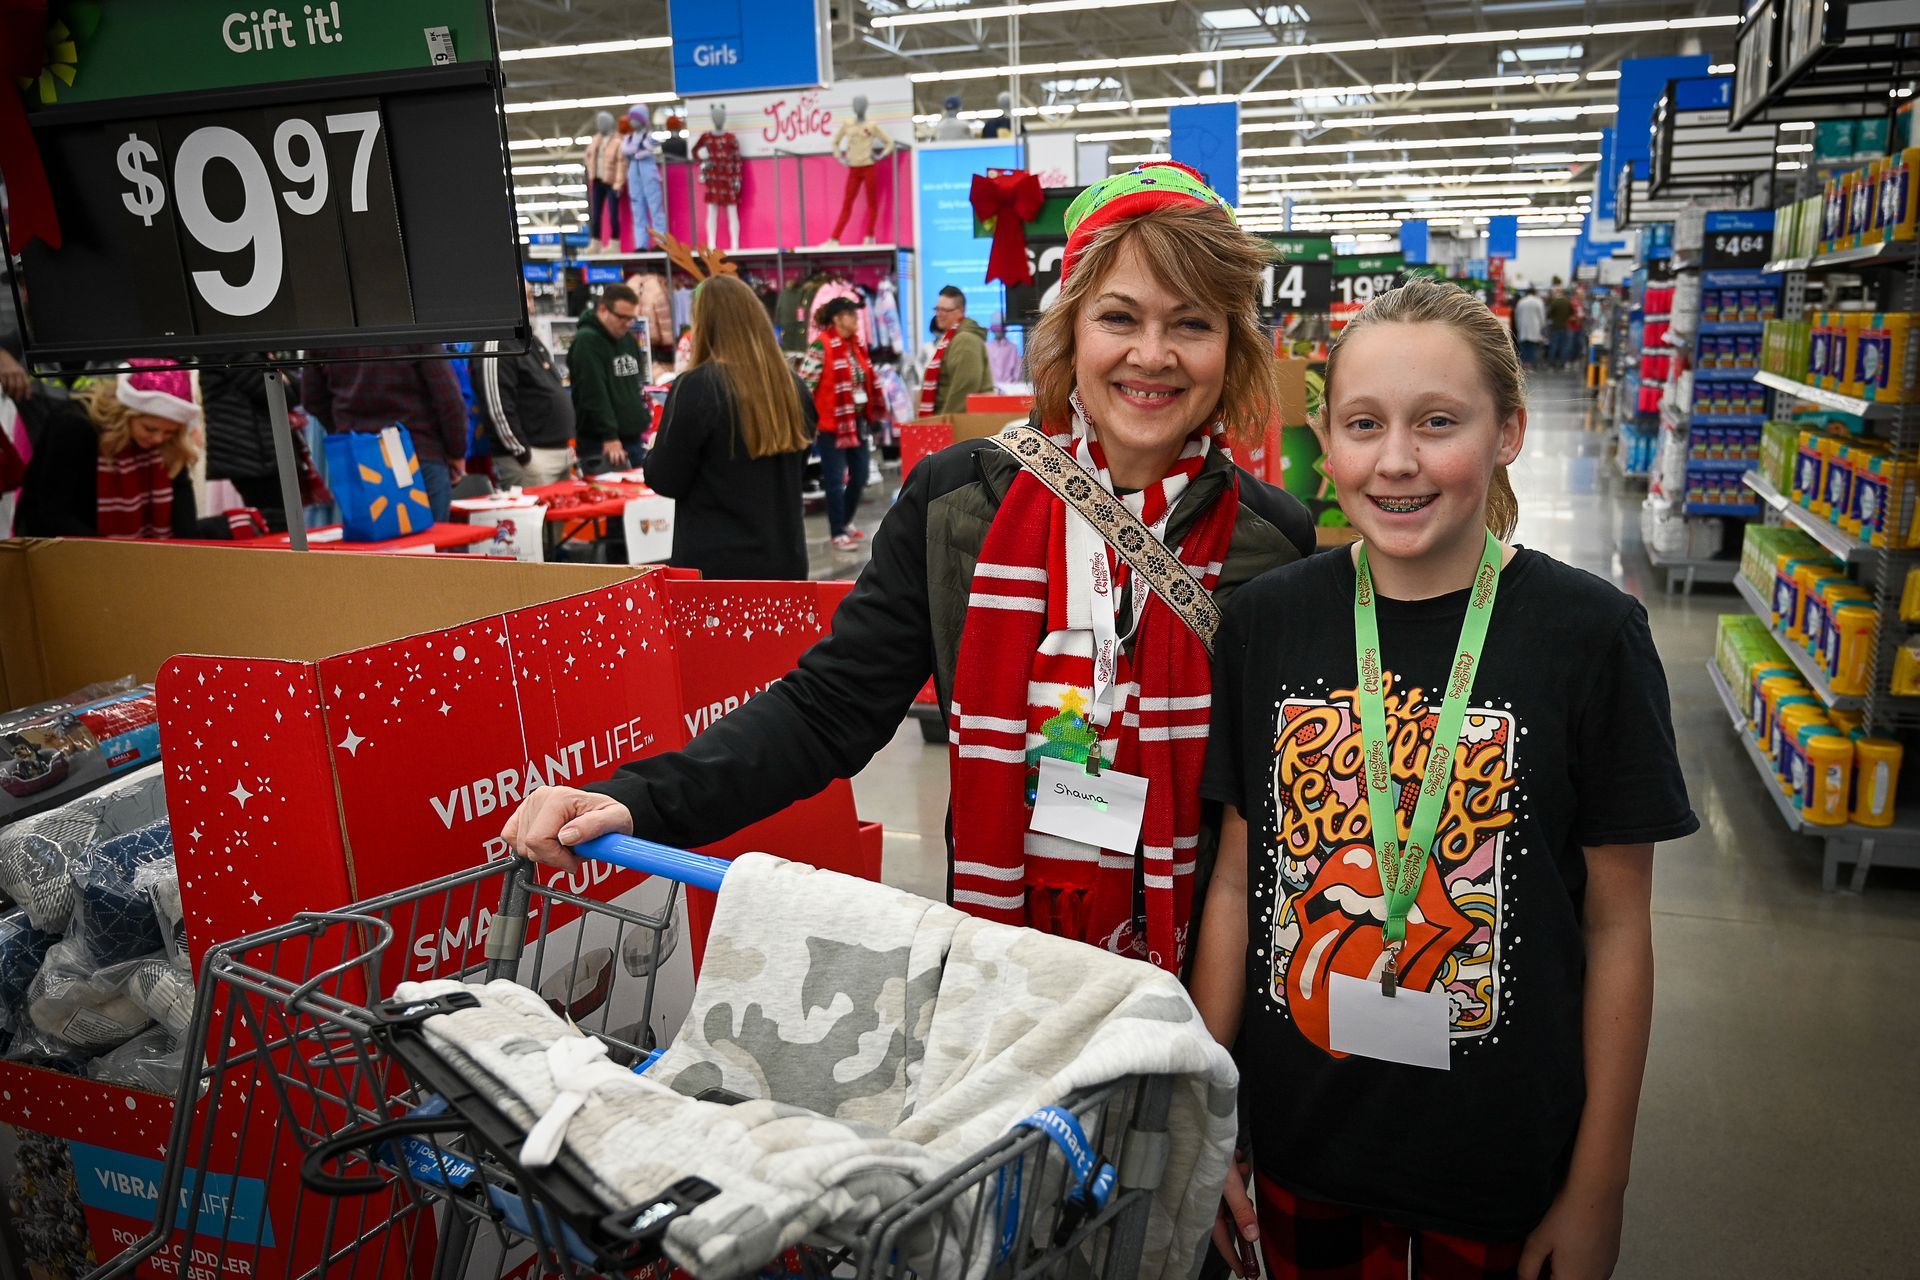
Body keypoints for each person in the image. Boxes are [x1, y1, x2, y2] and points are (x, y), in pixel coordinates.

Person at [501, 161, 1317, 978]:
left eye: (1192, 324)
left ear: (1232, 344)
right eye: (1119, 316)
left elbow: (1276, 812)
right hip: (1005, 966)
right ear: (1070, 330)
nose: (1152, 355)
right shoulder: (959, 503)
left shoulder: (1270, 539)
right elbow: (828, 709)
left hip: (1202, 972)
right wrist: (641, 799)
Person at [1192, 278, 1696, 1280]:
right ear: (1326, 442)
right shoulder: (1268, 622)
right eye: (1364, 424)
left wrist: (1601, 1184)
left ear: (1507, 431)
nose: (1397, 461)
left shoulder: (1590, 635)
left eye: (1438, 422)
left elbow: (1618, 927)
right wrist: (1204, 1121)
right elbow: (1237, 886)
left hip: (1503, 1152)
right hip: (1305, 1138)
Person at [643, 276, 817, 580]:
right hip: (785, 562)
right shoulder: (793, 388)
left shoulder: (697, 387)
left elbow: (666, 479)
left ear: (705, 324)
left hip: (715, 571)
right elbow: (796, 470)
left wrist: (655, 448)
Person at [13, 361, 252, 539]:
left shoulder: (168, 444)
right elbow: (51, 513)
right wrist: (117, 557)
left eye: (169, 432)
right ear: (125, 414)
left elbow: (182, 511)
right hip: (66, 548)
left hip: (124, 555)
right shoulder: (75, 427)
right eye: (150, 428)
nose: (158, 438)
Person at [301, 346, 468, 520]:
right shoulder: (412, 326)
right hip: (418, 453)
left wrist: (343, 430)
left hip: (359, 457)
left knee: (369, 543)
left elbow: (312, 399)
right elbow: (448, 399)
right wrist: (456, 452)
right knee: (428, 543)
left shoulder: (325, 333)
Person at [472, 286, 577, 488]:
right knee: (536, 520)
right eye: (521, 298)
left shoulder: (528, 340)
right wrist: (524, 455)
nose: (529, 305)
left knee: (559, 519)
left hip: (558, 455)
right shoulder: (497, 343)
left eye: (530, 297)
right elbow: (498, 408)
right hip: (530, 460)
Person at [799, 295, 881, 552]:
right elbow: (805, 386)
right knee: (835, 480)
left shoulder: (856, 346)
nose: (857, 320)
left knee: (861, 475)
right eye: (852, 315)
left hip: (856, 421)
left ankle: (845, 521)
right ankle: (837, 530)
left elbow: (866, 381)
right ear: (837, 318)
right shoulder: (820, 347)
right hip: (831, 426)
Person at [201, 359, 319, 532]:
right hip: (252, 451)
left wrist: (286, 379)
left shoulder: (249, 350)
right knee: (277, 524)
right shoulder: (235, 347)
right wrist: (284, 378)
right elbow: (279, 393)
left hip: (258, 449)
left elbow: (298, 388)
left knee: (280, 523)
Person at [569, 284, 650, 475]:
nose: (628, 323)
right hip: (604, 444)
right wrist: (609, 436)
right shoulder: (586, 341)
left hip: (632, 438)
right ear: (603, 309)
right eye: (622, 317)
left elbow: (633, 386)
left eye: (632, 318)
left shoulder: (628, 340)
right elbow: (593, 392)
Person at [920, 286, 996, 415]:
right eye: (937, 309)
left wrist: (943, 422)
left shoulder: (965, 340)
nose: (939, 314)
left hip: (959, 423)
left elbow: (964, 388)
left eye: (945, 310)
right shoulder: (952, 338)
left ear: (961, 311)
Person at [1513, 287, 1547, 369]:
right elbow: (1542, 316)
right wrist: (1542, 326)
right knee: (1533, 346)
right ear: (1534, 293)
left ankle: (1525, 363)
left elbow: (1517, 315)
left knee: (1524, 346)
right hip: (1535, 327)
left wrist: (1518, 326)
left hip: (1523, 327)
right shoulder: (1538, 302)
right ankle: (1531, 363)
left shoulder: (1521, 302)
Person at [1545, 284, 1576, 370]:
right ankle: (1563, 363)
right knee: (1564, 346)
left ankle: (1552, 364)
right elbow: (1572, 314)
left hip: (1555, 327)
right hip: (1565, 327)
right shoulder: (1567, 302)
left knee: (1554, 345)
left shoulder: (1554, 302)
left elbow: (1549, 315)